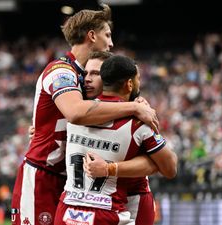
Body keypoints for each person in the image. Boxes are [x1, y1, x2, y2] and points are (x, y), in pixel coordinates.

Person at [11, 5, 159, 225]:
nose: (111, 43)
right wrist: (134, 108)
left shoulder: (87, 80)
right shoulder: (61, 71)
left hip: (73, 183)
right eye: (107, 35)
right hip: (44, 175)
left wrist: (136, 101)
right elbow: (75, 113)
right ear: (91, 35)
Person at [54, 55, 177, 225]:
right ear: (129, 84)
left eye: (95, 73)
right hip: (107, 211)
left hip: (67, 210)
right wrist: (109, 169)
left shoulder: (74, 115)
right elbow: (169, 168)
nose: (88, 79)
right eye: (86, 73)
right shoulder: (138, 122)